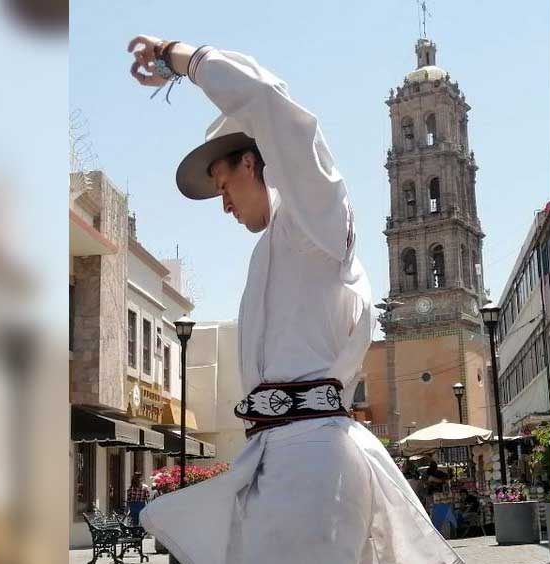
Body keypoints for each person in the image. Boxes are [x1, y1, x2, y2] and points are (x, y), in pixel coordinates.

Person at [128, 36, 464, 564]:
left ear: (252, 161)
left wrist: (179, 57)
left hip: (313, 461)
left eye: (223, 185)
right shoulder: (276, 248)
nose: (225, 205)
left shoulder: (314, 221)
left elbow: (270, 102)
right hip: (278, 456)